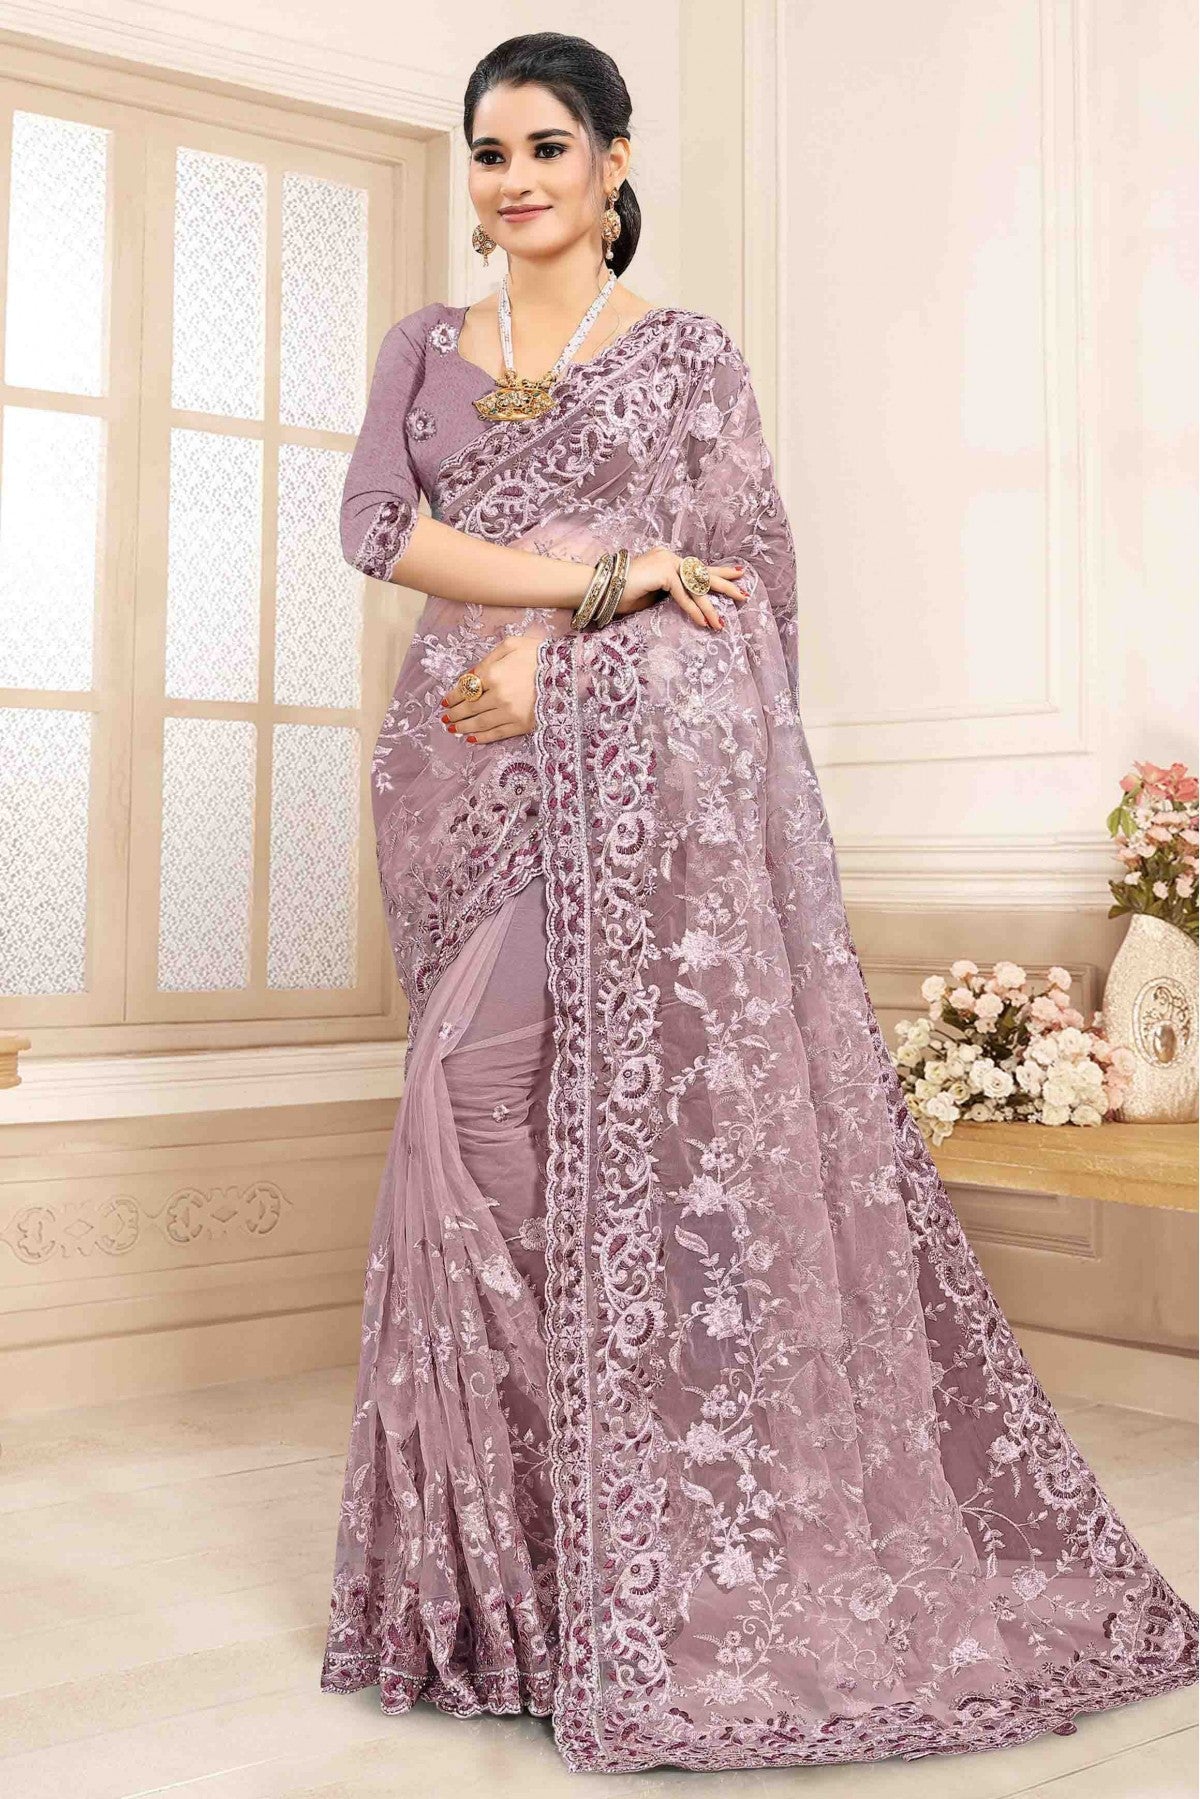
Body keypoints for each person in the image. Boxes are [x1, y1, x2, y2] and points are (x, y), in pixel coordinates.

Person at [319, 30, 1197, 1778]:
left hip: (612, 784)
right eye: (489, 151)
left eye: (547, 146)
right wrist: (603, 583)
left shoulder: (688, 360)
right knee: (488, 1145)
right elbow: (375, 531)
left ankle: (629, 1562)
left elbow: (738, 607)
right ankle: (520, 1590)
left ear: (615, 164)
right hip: (447, 780)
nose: (514, 179)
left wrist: (564, 660)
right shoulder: (424, 343)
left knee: (521, 1136)